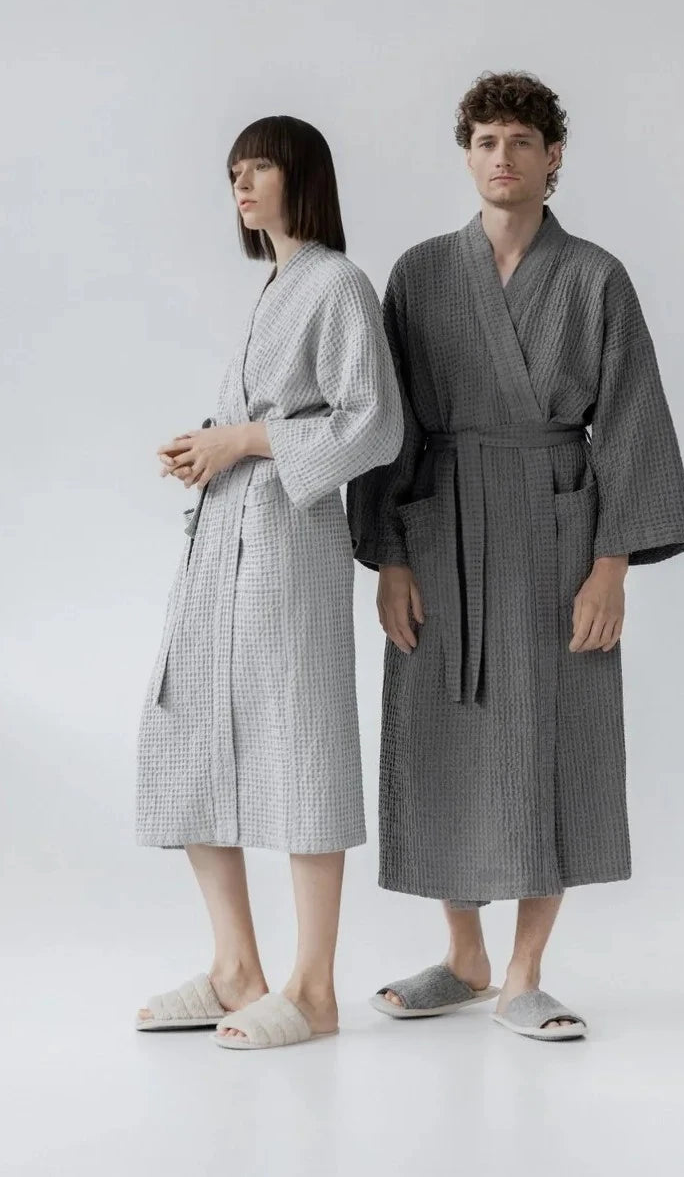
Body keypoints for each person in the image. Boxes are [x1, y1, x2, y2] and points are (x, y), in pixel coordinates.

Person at [346, 71, 684, 1042]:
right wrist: (390, 556)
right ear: (467, 155)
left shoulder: (594, 277)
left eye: (520, 141)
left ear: (553, 158)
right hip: (442, 524)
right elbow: (389, 424)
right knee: (439, 725)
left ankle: (525, 974)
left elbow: (629, 421)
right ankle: (463, 955)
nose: (501, 158)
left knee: (553, 734)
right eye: (485, 141)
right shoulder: (421, 273)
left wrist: (612, 564)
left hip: (556, 532)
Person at [135, 115, 402, 1050]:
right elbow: (268, 422)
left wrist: (244, 440)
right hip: (223, 542)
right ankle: (234, 970)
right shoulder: (279, 285)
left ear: (302, 177)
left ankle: (314, 991)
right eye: (232, 173)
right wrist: (207, 449)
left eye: (257, 169)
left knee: (301, 737)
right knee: (183, 730)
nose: (240, 186)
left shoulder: (336, 283)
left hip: (288, 546)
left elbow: (373, 424)